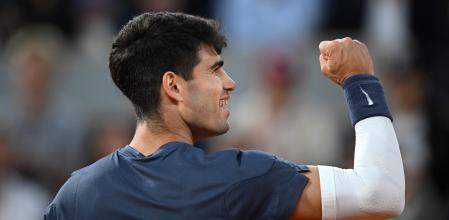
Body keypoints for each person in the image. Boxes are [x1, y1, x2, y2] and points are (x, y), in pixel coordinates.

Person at [44, 12, 405, 220]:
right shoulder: (239, 178)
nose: (229, 84)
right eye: (215, 70)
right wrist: (361, 82)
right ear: (173, 86)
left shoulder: (77, 195)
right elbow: (380, 194)